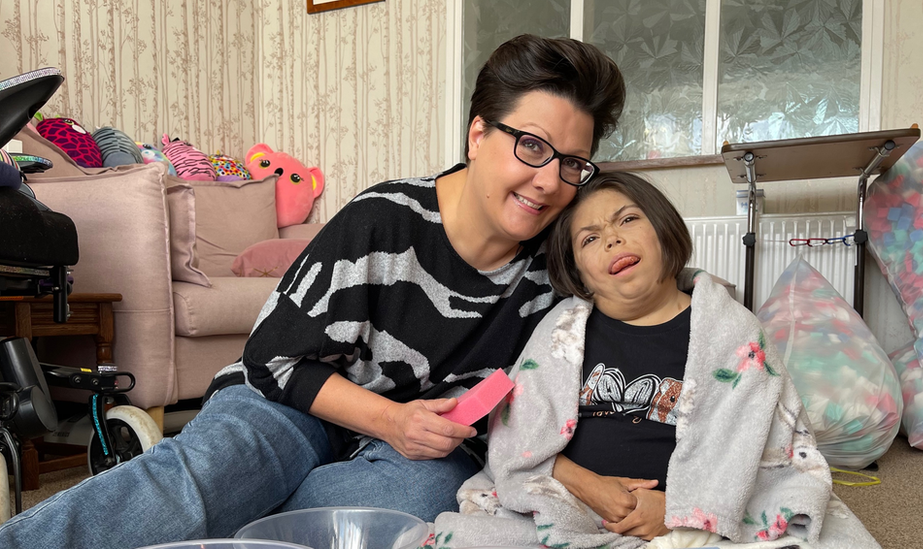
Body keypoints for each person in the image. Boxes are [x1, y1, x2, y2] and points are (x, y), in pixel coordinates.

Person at [0, 34, 625, 548]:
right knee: (215, 473)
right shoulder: (385, 218)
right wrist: (390, 420)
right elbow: (272, 361)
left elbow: (653, 286)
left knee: (421, 504)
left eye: (573, 163)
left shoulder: (556, 266)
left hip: (420, 452)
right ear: (478, 135)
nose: (550, 181)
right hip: (291, 403)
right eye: (532, 146)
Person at [433, 172, 852, 548]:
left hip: (683, 517)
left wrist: (676, 510)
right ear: (579, 274)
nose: (612, 239)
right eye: (590, 238)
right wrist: (589, 485)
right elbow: (517, 440)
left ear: (664, 231)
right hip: (570, 500)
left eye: (628, 220)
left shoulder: (735, 333)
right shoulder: (559, 332)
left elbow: (765, 449)